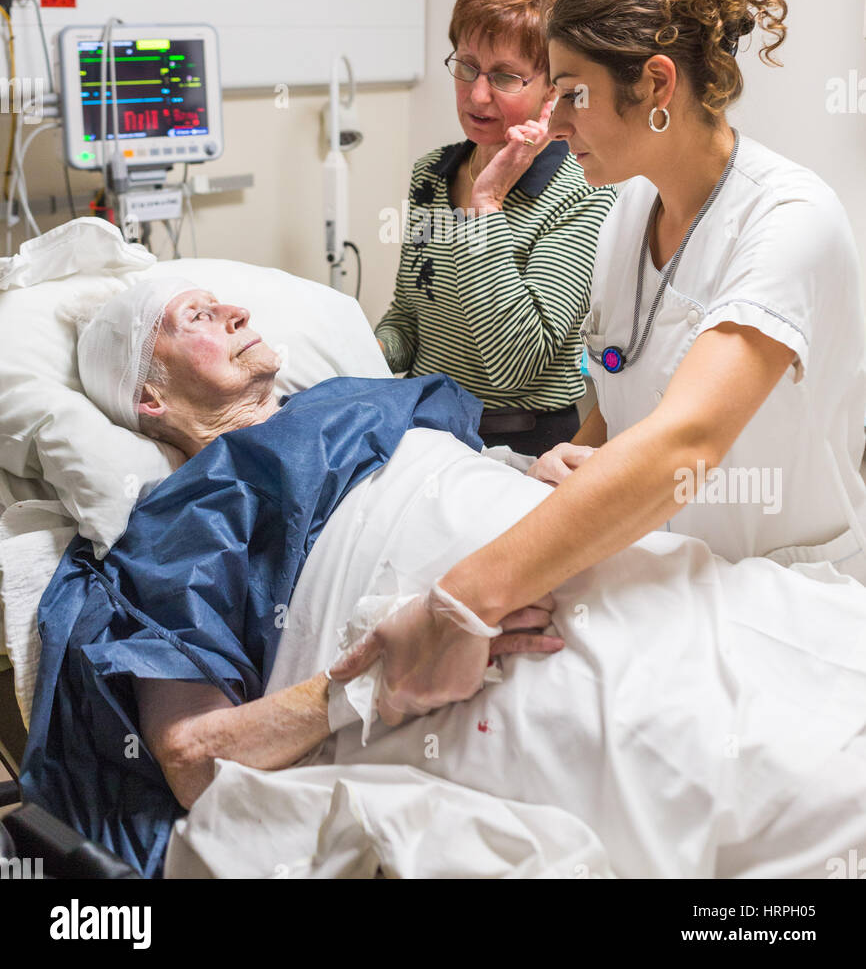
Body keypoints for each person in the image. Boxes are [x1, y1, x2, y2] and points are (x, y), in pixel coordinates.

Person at [27, 280, 866, 881]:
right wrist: (366, 687)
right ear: (147, 395)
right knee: (745, 768)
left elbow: (459, 467)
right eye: (197, 318)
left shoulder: (358, 401)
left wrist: (528, 465)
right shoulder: (172, 527)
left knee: (782, 643)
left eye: (226, 301)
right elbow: (191, 758)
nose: (237, 311)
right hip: (450, 668)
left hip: (563, 555)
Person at [333, 0, 866, 722]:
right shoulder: (628, 215)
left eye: (570, 92)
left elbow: (682, 443)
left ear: (655, 85)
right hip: (656, 570)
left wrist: (460, 604)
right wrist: (566, 460)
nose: (552, 119)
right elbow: (614, 409)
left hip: (779, 598)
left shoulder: (790, 219)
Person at [375, 0, 617, 456]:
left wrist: (486, 207)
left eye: (505, 77)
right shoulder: (432, 174)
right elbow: (408, 314)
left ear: (553, 89)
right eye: (466, 67)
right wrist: (362, 351)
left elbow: (516, 362)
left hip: (526, 445)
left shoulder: (584, 190)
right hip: (425, 430)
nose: (477, 94)